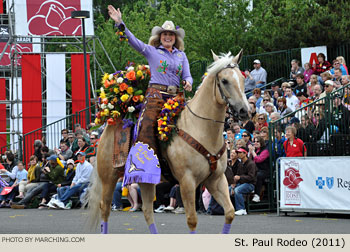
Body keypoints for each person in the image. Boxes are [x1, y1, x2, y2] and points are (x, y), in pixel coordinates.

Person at [107, 6, 192, 192]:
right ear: (160, 37)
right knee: (146, 126)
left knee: (192, 125)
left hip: (176, 97)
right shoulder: (152, 51)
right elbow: (134, 41)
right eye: (165, 34)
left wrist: (188, 81)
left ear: (175, 38)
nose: (168, 37)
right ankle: (145, 169)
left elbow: (188, 75)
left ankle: (188, 165)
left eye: (171, 34)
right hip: (155, 96)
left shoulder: (181, 55)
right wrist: (120, 23)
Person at [232, 147, 257, 216]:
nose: (238, 154)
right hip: (241, 183)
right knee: (229, 189)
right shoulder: (240, 164)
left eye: (240, 153)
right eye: (238, 153)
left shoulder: (251, 164)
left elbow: (251, 177)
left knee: (237, 190)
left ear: (245, 153)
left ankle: (241, 209)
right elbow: (238, 175)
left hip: (250, 184)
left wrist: (240, 177)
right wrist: (234, 183)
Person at [248, 136, 269, 203]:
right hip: (256, 169)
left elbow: (258, 160)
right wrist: (250, 152)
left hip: (264, 170)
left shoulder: (265, 150)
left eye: (257, 141)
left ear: (261, 142)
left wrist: (253, 151)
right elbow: (249, 160)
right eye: (254, 141)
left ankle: (257, 195)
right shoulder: (256, 150)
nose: (255, 143)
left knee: (258, 175)